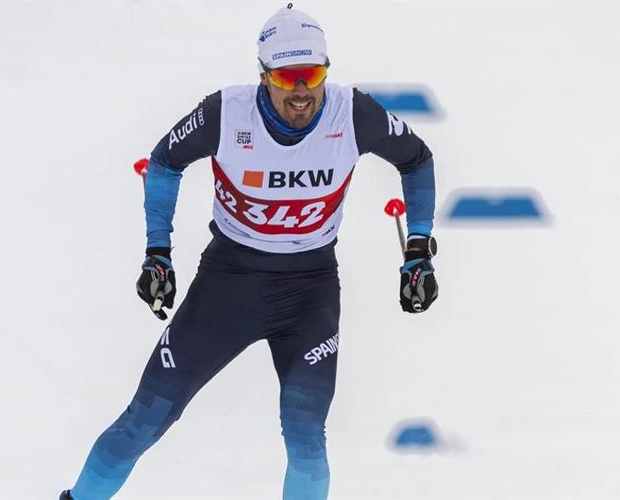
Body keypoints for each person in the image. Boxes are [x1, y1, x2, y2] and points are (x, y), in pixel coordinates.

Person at [61, 4, 438, 500]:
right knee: (147, 417)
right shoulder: (225, 112)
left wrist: (418, 251)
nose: (302, 90)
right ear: (264, 76)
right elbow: (164, 162)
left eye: (313, 74)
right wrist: (158, 253)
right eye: (287, 77)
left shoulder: (354, 112)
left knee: (306, 435)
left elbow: (417, 159)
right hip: (229, 284)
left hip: (310, 292)